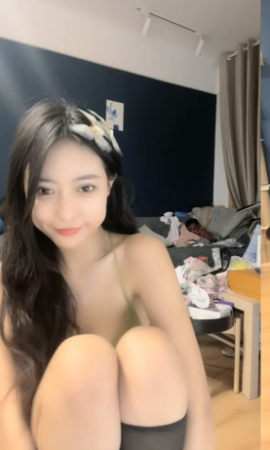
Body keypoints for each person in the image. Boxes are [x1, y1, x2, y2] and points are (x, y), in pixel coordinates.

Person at [0, 100, 214, 450]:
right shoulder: (8, 274)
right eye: (44, 190)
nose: (66, 212)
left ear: (109, 183)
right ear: (23, 191)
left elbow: (196, 391)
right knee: (85, 360)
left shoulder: (142, 256)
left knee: (149, 349)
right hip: (52, 436)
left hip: (143, 431)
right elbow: (6, 402)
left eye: (85, 187)